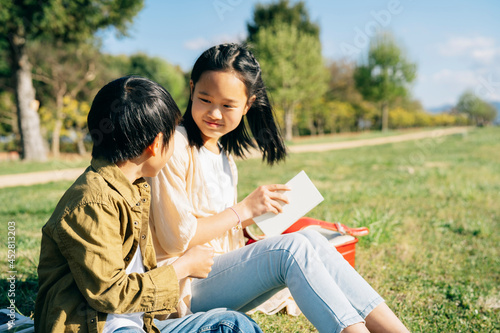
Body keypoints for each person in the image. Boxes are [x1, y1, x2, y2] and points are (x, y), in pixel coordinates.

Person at [148, 44, 411, 333]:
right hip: (183, 287)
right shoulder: (175, 147)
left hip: (217, 275)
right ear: (191, 89)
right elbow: (176, 239)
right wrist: (243, 210)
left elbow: (220, 228)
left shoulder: (224, 157)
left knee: (311, 238)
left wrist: (254, 219)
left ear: (248, 105)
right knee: (292, 249)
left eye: (228, 105)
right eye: (205, 99)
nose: (214, 113)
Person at [34, 76, 263, 333]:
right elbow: (110, 293)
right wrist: (181, 268)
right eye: (173, 136)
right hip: (99, 327)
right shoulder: (93, 203)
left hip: (139, 323)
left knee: (232, 323)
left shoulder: (135, 188)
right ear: (156, 144)